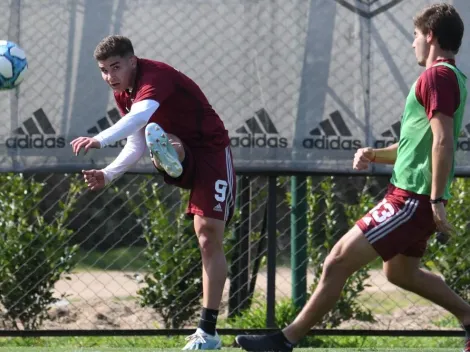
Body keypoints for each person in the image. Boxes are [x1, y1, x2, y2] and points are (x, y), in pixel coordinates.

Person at [235, 3, 470, 351]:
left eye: (416, 35)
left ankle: (285, 341)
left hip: (412, 198)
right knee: (400, 273)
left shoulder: (437, 77)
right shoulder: (453, 78)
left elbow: (442, 140)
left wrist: (436, 200)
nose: (413, 43)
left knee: (338, 259)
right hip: (414, 196)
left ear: (431, 36)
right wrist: (376, 154)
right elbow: (417, 145)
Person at [70, 35, 236, 350]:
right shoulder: (123, 94)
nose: (110, 77)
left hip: (212, 152)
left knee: (208, 236)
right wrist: (108, 174)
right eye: (104, 70)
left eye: (115, 67)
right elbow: (136, 141)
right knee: (159, 138)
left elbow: (141, 116)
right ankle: (173, 158)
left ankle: (207, 332)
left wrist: (99, 139)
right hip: (184, 153)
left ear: (133, 60)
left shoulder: (155, 76)